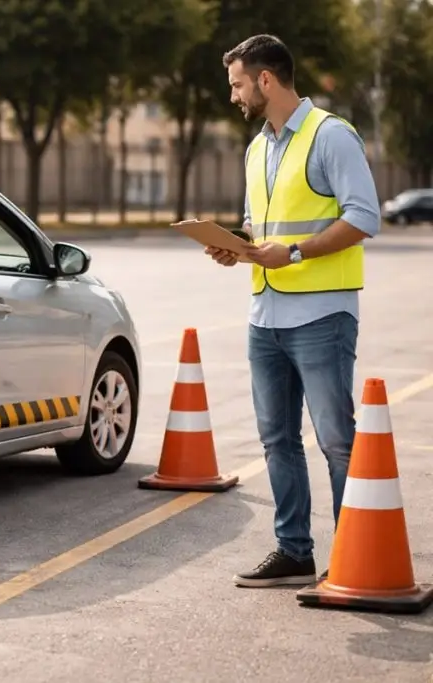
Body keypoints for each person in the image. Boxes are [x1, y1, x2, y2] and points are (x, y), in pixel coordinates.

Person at [208, 34, 381, 588]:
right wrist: (236, 245)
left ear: (265, 79)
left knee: (335, 440)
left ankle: (359, 553)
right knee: (277, 439)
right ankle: (293, 550)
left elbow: (364, 216)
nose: (232, 95)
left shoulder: (331, 135)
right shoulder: (256, 148)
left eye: (237, 83)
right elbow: (263, 227)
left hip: (322, 314)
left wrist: (298, 253)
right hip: (266, 315)